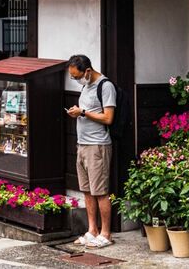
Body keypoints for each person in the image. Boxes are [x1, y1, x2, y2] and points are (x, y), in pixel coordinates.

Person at [66, 54, 116, 249]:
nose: (77, 80)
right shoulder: (86, 86)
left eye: (77, 76)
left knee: (100, 191)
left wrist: (83, 113)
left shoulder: (106, 86)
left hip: (98, 145)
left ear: (87, 71)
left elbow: (108, 117)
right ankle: (92, 230)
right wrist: (77, 111)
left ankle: (106, 233)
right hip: (83, 143)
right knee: (86, 190)